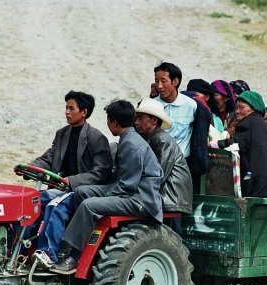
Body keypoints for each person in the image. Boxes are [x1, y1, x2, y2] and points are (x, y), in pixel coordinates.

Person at [51, 100, 163, 275]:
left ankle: (74, 255)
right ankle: (76, 240)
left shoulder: (132, 144)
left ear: (114, 123)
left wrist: (102, 198)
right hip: (127, 190)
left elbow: (127, 186)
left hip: (141, 199)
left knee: (90, 205)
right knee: (81, 192)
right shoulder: (128, 139)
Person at [27, 91, 112, 267]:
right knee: (30, 200)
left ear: (84, 112)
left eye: (71, 108)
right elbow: (48, 158)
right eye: (66, 107)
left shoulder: (97, 138)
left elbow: (101, 172)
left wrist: (72, 180)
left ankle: (48, 253)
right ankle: (19, 249)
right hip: (61, 188)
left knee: (55, 205)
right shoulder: (62, 134)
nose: (66, 112)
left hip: (81, 191)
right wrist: (29, 167)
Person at [135, 97, 193, 234]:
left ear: (154, 120)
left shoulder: (161, 139)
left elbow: (158, 175)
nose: (136, 122)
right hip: (164, 194)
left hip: (171, 196)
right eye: (136, 118)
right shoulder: (151, 138)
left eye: (140, 118)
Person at [153, 62, 197, 159]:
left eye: (163, 81)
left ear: (175, 81)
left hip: (182, 162)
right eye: (157, 81)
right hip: (158, 161)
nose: (159, 86)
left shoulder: (191, 105)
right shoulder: (152, 106)